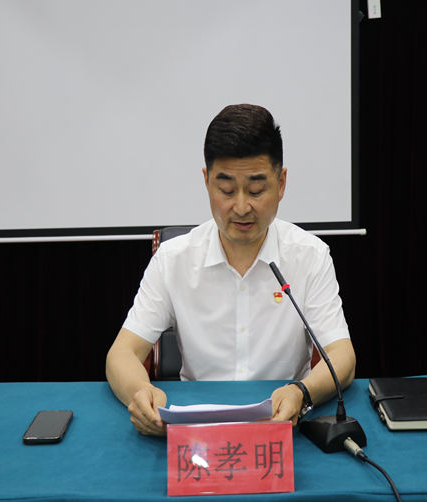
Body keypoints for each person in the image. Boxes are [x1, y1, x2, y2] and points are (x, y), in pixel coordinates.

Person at [106, 104, 356, 435]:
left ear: (281, 183)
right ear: (206, 182)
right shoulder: (174, 259)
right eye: (226, 190)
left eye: (256, 190)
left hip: (281, 425)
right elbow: (122, 353)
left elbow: (342, 355)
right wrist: (141, 393)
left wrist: (301, 392)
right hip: (194, 430)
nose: (240, 207)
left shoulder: (309, 256)